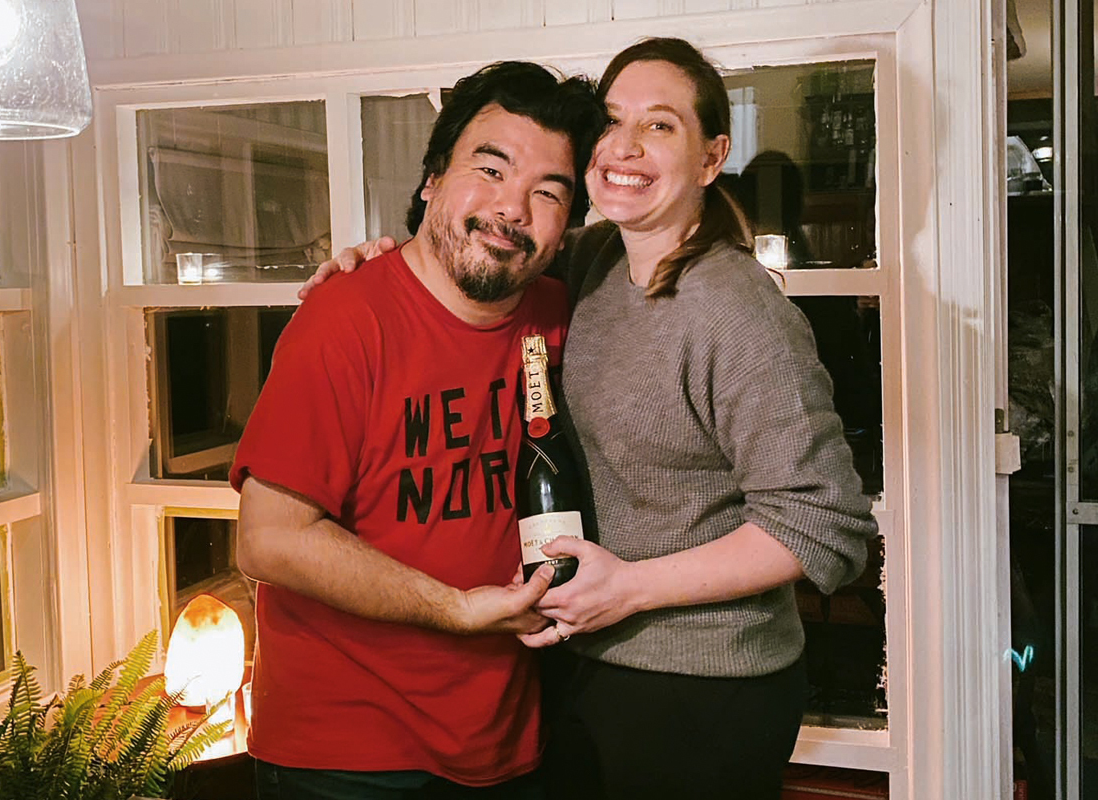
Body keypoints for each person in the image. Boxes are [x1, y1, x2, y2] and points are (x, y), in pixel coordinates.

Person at [306, 37, 878, 800]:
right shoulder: (598, 259)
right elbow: (488, 253)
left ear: (711, 158)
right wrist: (379, 262)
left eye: (662, 126)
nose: (627, 147)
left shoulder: (736, 311)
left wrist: (632, 588)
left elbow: (824, 524)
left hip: (702, 690)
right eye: (613, 122)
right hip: (590, 666)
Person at [230, 61, 605, 800]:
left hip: (505, 738)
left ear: (569, 226)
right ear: (433, 177)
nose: (512, 209)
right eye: (489, 170)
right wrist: (458, 609)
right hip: (345, 755)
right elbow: (269, 538)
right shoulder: (342, 321)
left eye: (547, 193)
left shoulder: (563, 317)